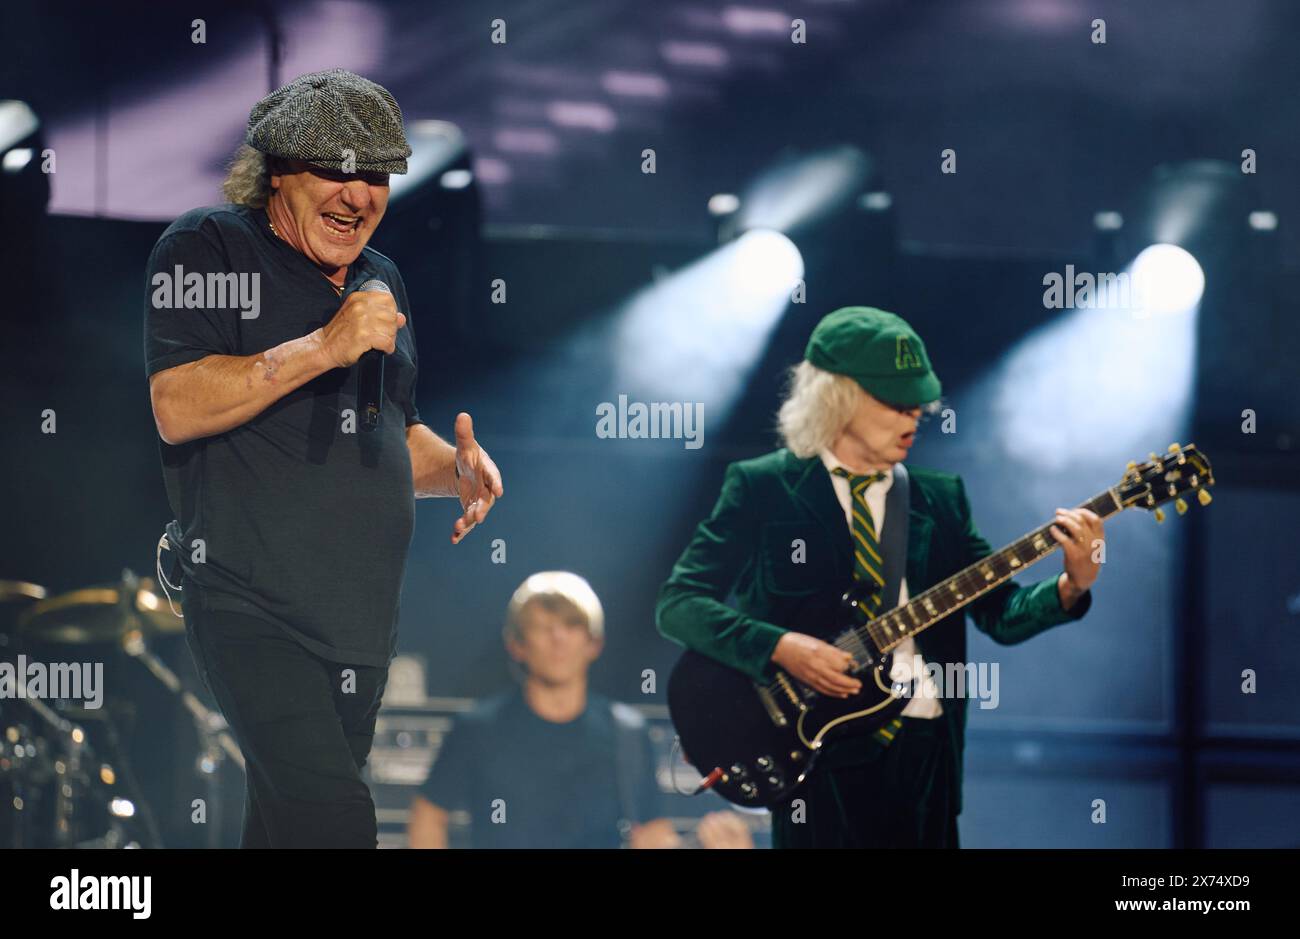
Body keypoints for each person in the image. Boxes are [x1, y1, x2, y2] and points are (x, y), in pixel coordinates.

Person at [143, 69, 503, 848]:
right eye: (335, 170)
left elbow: (390, 432)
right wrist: (324, 343)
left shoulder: (381, 277)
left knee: (285, 833)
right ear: (278, 169)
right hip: (250, 605)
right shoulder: (210, 244)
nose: (356, 194)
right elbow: (177, 406)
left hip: (360, 628)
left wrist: (456, 469)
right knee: (335, 826)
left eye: (373, 174)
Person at [655, 306, 1103, 848]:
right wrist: (780, 648)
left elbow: (1000, 615)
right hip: (816, 757)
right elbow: (679, 604)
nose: (914, 415)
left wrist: (1071, 585)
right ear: (839, 397)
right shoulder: (763, 488)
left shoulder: (940, 499)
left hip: (924, 756)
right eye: (895, 402)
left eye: (918, 402)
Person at [408, 572, 690, 849]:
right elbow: (428, 817)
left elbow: (654, 831)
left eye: (571, 625)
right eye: (542, 626)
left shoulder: (628, 732)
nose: (558, 638)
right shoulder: (476, 728)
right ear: (516, 645)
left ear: (594, 643)